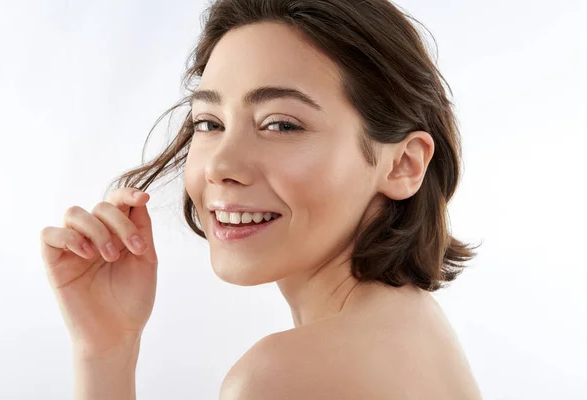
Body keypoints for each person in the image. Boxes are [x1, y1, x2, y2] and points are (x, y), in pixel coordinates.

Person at [40, 0, 483, 398]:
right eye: (209, 123)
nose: (220, 166)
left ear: (403, 164)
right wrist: (106, 347)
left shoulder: (280, 379)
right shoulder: (414, 325)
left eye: (281, 125)